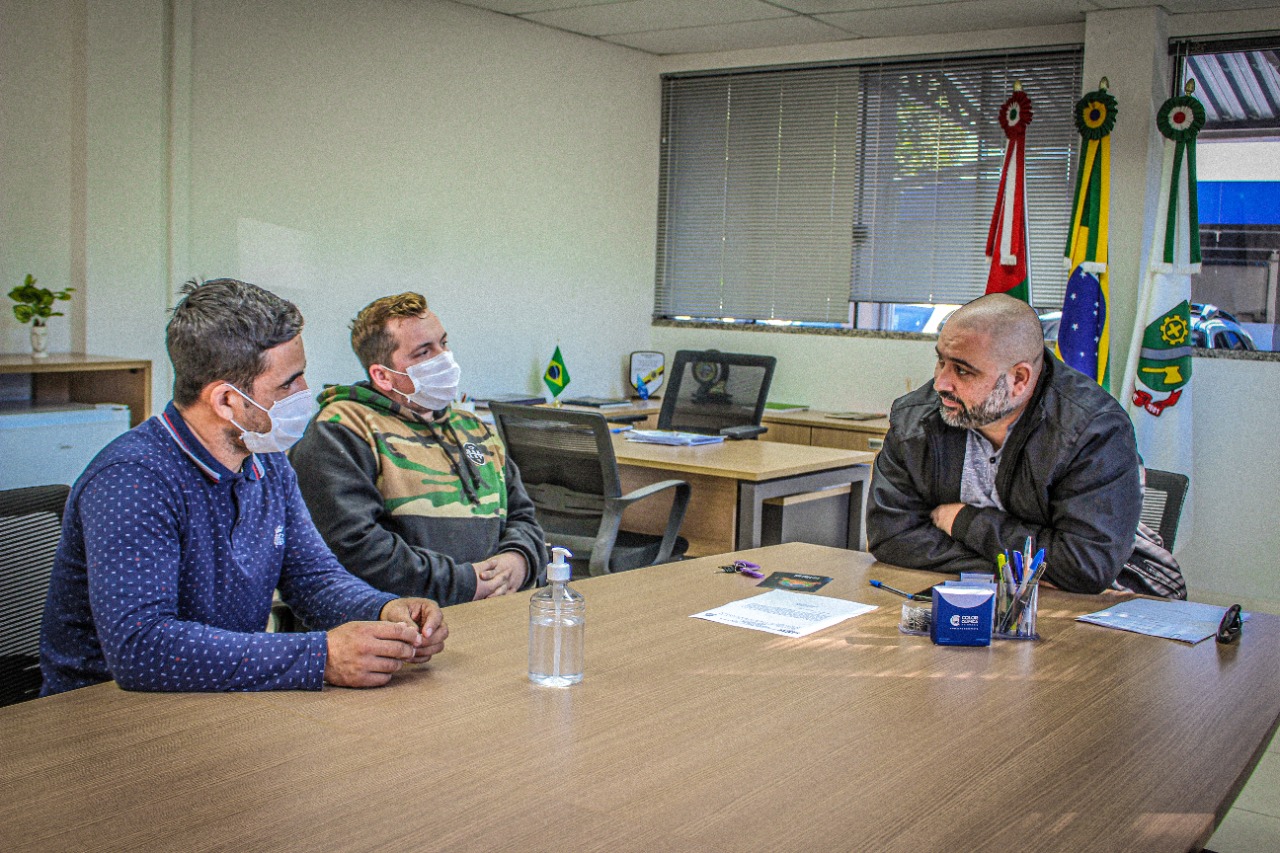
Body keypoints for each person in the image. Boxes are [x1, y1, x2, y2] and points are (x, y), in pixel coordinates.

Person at [40, 279, 448, 696]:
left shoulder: (266, 460)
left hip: (219, 700)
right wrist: (321, 656)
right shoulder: (132, 480)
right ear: (226, 402)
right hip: (103, 717)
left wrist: (384, 609)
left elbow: (314, 579)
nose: (305, 393)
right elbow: (142, 648)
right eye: (288, 383)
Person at [866, 293, 1143, 594]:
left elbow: (1085, 566)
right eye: (941, 362)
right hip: (988, 597)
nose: (940, 384)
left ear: (1019, 379)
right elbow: (891, 537)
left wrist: (964, 521)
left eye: (962, 370)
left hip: (1112, 603)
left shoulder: (1092, 430)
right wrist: (1013, 573)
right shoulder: (915, 419)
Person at [289, 292, 546, 605]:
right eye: (424, 352)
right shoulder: (341, 430)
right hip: (405, 624)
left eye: (443, 343)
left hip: (498, 612)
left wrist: (519, 561)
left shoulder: (475, 428)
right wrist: (466, 583)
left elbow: (523, 516)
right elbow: (355, 547)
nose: (444, 358)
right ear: (383, 376)